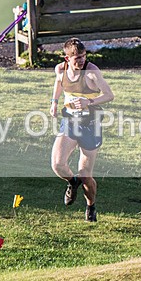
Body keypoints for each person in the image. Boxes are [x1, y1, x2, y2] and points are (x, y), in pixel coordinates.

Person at [50, 38, 114, 222]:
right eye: (77, 58)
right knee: (58, 164)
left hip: (90, 124)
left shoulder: (92, 72)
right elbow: (59, 83)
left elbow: (109, 95)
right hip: (70, 121)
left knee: (85, 174)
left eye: (83, 56)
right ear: (67, 58)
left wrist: (89, 102)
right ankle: (72, 182)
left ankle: (90, 206)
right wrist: (54, 103)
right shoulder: (60, 69)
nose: (81, 61)